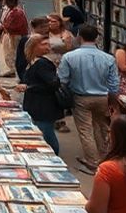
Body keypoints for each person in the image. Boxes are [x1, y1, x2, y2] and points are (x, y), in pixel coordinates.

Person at [57, 24, 119, 174]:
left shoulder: (69, 57)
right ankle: (105, 158)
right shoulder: (108, 58)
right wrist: (113, 100)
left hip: (80, 97)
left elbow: (62, 79)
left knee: (85, 130)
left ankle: (92, 162)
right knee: (102, 128)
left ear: (79, 36)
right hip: (102, 97)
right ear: (97, 38)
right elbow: (114, 83)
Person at [18, 35, 64, 154]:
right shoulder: (33, 62)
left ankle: (54, 156)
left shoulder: (43, 64)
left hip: (44, 106)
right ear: (33, 45)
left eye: (48, 44)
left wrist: (29, 87)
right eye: (44, 44)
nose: (48, 47)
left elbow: (53, 84)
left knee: (46, 134)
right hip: (36, 105)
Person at [46, 13, 76, 133]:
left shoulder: (67, 34)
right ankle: (53, 119)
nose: (51, 24)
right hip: (48, 63)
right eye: (49, 21)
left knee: (61, 91)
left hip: (63, 65)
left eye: (54, 21)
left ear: (60, 22)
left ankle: (60, 119)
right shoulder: (44, 35)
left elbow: (70, 48)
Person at [0, 0, 28, 77]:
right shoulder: (10, 11)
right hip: (10, 34)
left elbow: (13, 26)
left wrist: (3, 26)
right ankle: (12, 69)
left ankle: (14, 70)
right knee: (9, 53)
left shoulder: (17, 12)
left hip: (15, 35)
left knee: (13, 53)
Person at [15, 16, 51, 83]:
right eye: (42, 27)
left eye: (47, 26)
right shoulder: (27, 40)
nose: (46, 29)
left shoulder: (47, 37)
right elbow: (21, 60)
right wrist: (23, 77)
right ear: (34, 27)